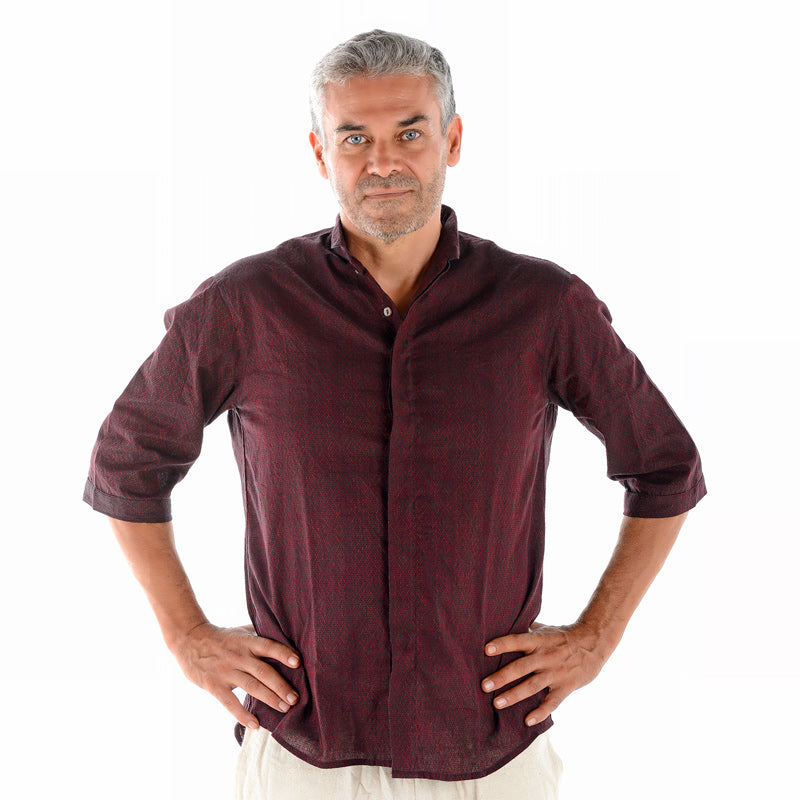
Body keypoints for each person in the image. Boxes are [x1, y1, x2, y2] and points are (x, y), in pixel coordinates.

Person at [83, 29, 707, 800]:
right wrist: (185, 633)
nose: (382, 163)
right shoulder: (245, 306)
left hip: (492, 756)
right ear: (321, 153)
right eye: (355, 138)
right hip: (303, 759)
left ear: (452, 140)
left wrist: (598, 635)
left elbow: (665, 467)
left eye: (409, 133)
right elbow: (127, 464)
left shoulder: (543, 306)